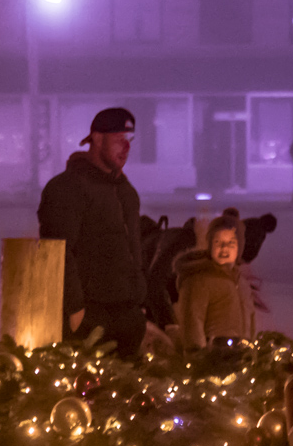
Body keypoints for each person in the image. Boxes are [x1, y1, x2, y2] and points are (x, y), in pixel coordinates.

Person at [38, 107, 170, 357]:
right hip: (90, 316)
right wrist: (75, 309)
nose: (126, 147)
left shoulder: (126, 191)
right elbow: (58, 252)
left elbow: (134, 248)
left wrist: (138, 298)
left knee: (128, 390)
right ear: (97, 139)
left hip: (127, 316)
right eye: (119, 139)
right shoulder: (67, 188)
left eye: (130, 140)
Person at [175, 212, 257, 348]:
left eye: (231, 243)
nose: (224, 248)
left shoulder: (242, 283)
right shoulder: (200, 280)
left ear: (239, 248)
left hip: (241, 354)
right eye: (218, 242)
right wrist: (197, 355)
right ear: (209, 245)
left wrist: (251, 348)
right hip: (212, 357)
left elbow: (251, 319)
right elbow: (192, 321)